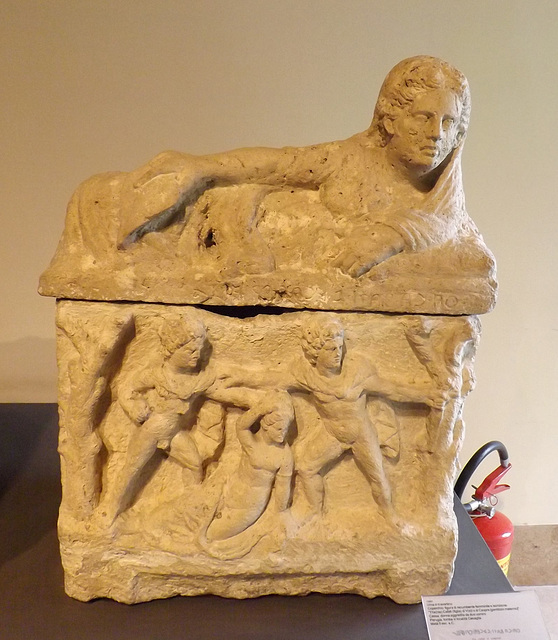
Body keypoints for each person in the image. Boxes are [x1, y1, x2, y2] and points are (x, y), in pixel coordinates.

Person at [117, 55, 471, 278]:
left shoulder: (440, 211)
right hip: (226, 243)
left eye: (448, 122)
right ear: (391, 119)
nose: (435, 134)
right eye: (422, 118)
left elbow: (449, 235)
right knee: (154, 209)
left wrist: (393, 237)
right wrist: (201, 166)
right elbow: (281, 163)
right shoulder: (350, 159)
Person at [205, 393, 294, 542]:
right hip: (228, 490)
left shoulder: (284, 455)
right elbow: (241, 426)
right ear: (266, 425)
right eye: (279, 429)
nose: (283, 435)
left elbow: (283, 488)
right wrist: (260, 409)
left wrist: (278, 513)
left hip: (249, 506)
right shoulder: (251, 443)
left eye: (286, 430)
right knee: (192, 519)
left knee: (212, 535)